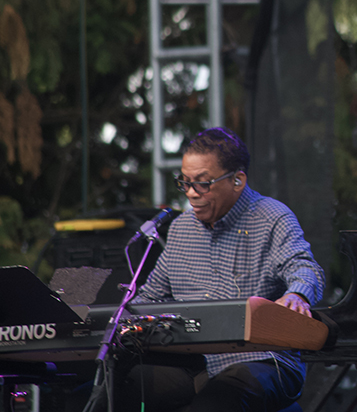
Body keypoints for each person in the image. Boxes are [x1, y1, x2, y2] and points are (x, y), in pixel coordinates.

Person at [120, 127, 325, 412]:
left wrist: (297, 295)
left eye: (202, 183)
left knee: (217, 400)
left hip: (264, 360)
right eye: (185, 182)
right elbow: (151, 297)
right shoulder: (181, 229)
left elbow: (305, 268)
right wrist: (118, 322)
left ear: (238, 180)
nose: (191, 193)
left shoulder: (272, 217)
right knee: (113, 390)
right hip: (195, 363)